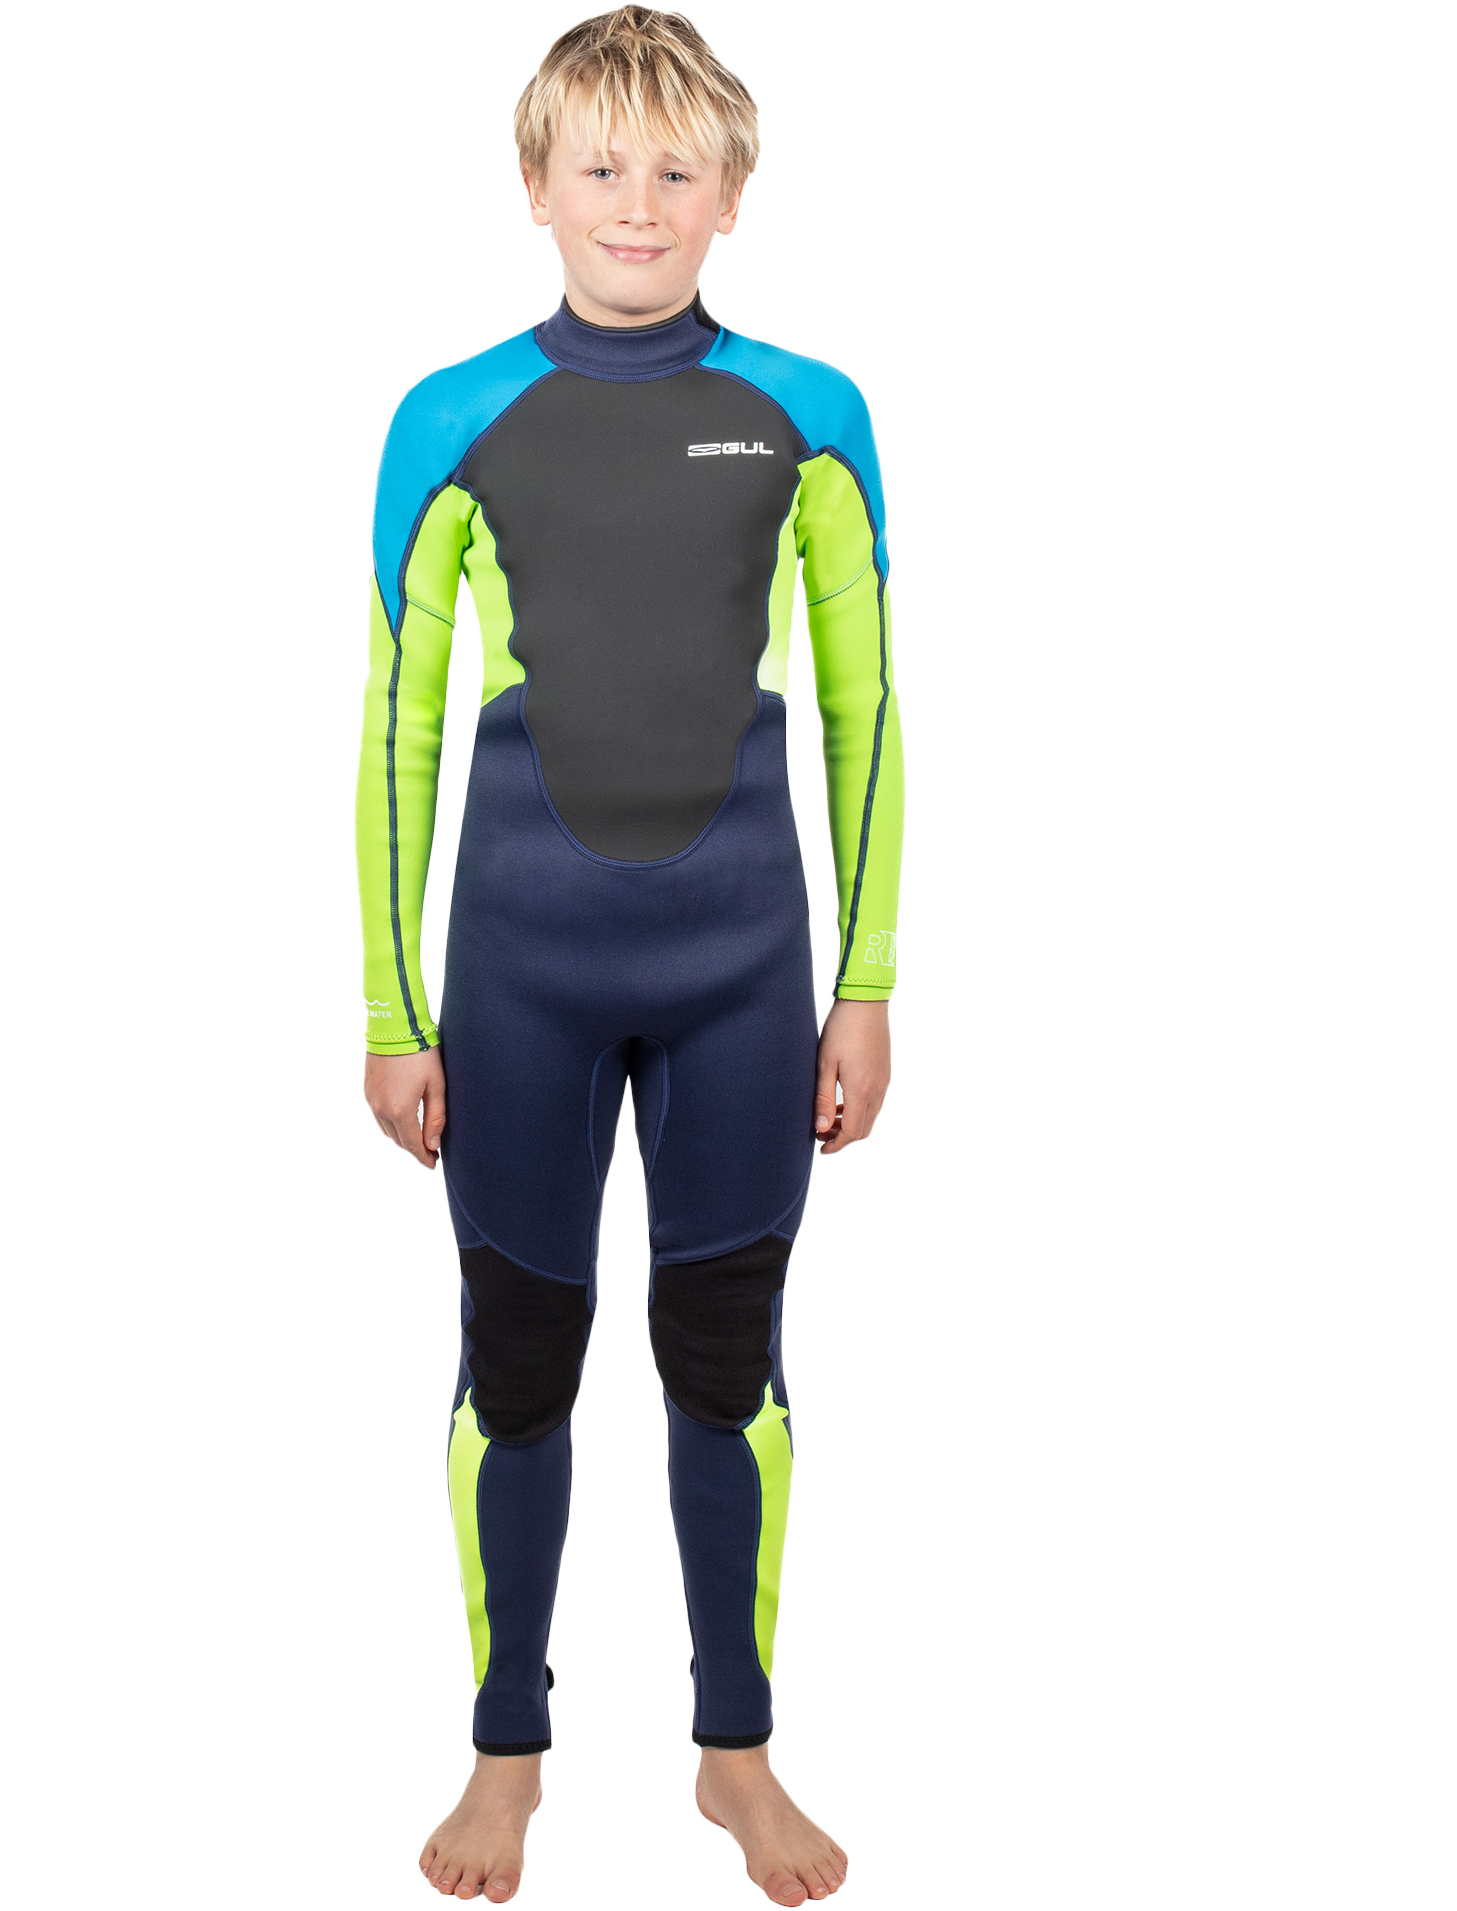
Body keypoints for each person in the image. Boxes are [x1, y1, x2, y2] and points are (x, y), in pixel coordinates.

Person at [354, 10, 903, 1902]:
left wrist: (864, 984)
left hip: (745, 971)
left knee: (725, 1362)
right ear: (535, 187)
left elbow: (864, 716)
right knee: (515, 1359)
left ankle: (734, 1754)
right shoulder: (449, 421)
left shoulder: (808, 414)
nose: (638, 203)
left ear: (732, 193)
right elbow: (400, 731)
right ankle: (504, 1753)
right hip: (517, 975)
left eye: (677, 169)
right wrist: (392, 1009)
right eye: (600, 166)